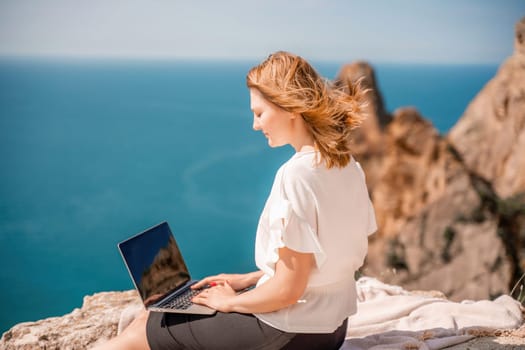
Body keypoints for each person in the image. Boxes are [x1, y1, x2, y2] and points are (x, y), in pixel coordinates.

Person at [91, 51, 377, 350]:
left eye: (259, 113)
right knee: (155, 319)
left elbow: (288, 291)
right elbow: (323, 262)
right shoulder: (347, 165)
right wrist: (248, 279)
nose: (255, 124)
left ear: (290, 107)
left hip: (288, 332)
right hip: (330, 331)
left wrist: (229, 302)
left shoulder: (295, 175)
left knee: (145, 328)